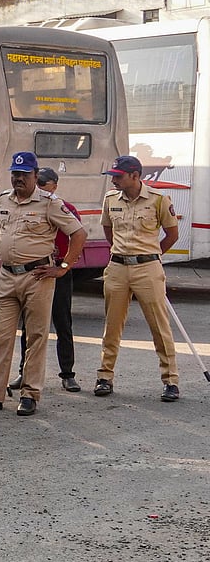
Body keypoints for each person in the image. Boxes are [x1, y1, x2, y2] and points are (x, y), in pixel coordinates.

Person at [0, 153, 86, 417]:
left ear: (35, 175)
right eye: (15, 173)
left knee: (36, 337)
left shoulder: (49, 203)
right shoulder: (5, 198)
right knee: (0, 337)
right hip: (7, 276)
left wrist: (63, 267)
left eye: (24, 174)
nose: (18, 178)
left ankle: (30, 394)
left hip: (37, 276)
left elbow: (78, 233)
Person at [94, 155, 181, 401]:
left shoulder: (159, 199)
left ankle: (171, 380)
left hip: (148, 268)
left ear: (135, 175)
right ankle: (104, 376)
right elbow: (108, 229)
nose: (114, 181)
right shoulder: (111, 199)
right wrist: (121, 252)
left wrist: (151, 256)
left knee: (159, 326)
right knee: (112, 325)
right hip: (118, 267)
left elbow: (172, 234)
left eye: (118, 176)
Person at [8, 167, 81, 392]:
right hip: (36, 271)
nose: (40, 188)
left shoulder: (63, 207)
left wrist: (64, 266)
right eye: (39, 183)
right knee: (29, 326)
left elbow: (77, 236)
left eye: (45, 184)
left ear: (55, 186)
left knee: (62, 322)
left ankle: (67, 374)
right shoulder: (26, 205)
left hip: (57, 270)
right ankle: (24, 371)